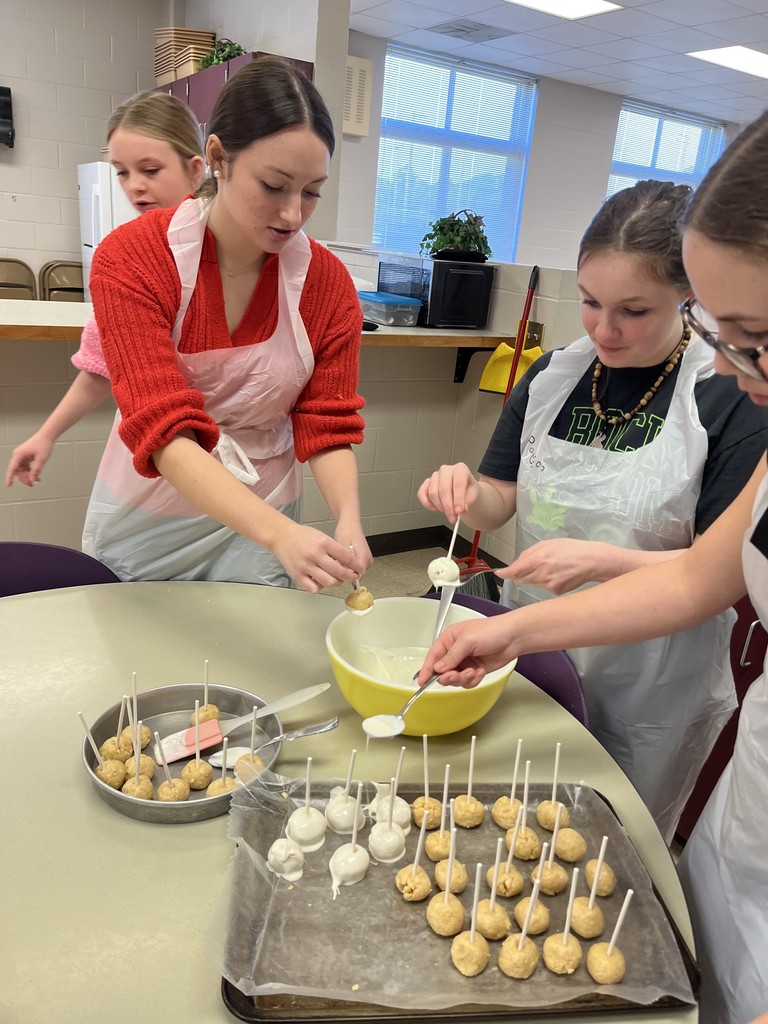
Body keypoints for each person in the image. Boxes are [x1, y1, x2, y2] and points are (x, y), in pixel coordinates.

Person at [418, 112, 768, 1024]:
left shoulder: (724, 398)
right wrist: (498, 600)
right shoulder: (552, 374)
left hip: (657, 675)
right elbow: (509, 495)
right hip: (547, 657)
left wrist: (605, 562)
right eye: (593, 302)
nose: (606, 329)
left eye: (638, 311)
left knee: (610, 858)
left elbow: (698, 579)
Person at [76, 57, 371, 590]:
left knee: (249, 659)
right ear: (218, 158)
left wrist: (347, 518)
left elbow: (325, 420)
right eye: (275, 185)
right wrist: (280, 535)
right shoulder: (135, 259)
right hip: (152, 510)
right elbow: (162, 430)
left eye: (311, 192)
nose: (292, 215)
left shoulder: (327, 286)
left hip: (267, 504)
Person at [5, 90, 206, 488]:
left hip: (246, 458)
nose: (134, 187)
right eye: (122, 171)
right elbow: (102, 365)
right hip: (162, 451)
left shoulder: (235, 244)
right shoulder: (128, 261)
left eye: (150, 170)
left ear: (196, 169)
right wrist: (46, 433)